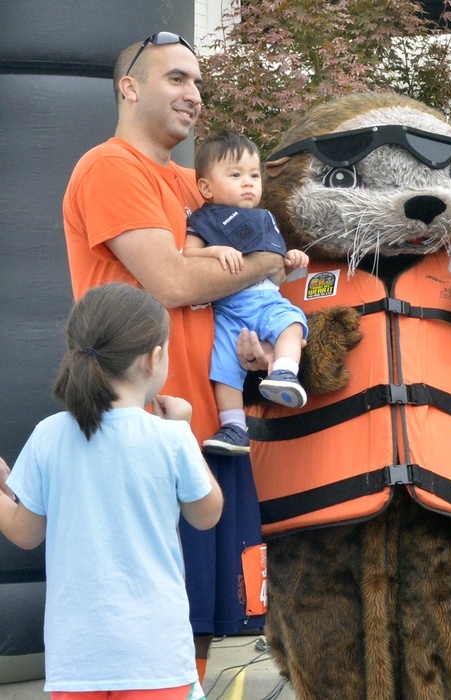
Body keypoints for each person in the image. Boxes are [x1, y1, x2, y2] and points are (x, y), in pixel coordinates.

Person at [62, 32, 282, 682]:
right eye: (177, 79)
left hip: (208, 432)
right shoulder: (110, 167)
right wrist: (265, 260)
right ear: (129, 87)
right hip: (139, 431)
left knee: (200, 620)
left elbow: (260, 267)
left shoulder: (197, 184)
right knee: (147, 626)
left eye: (198, 84)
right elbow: (174, 283)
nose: (195, 95)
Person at [0, 282, 223, 699]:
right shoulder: (169, 438)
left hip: (76, 662)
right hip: (156, 659)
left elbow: (24, 533)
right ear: (154, 357)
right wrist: (186, 432)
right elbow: (207, 513)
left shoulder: (47, 436)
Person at [184, 132, 310, 455]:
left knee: (292, 322)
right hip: (226, 309)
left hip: (265, 298)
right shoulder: (202, 220)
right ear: (206, 188)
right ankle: (234, 427)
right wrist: (214, 252)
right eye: (236, 175)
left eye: (254, 175)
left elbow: (276, 271)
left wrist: (292, 260)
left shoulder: (265, 217)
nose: (248, 183)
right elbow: (185, 254)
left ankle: (284, 372)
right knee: (223, 365)